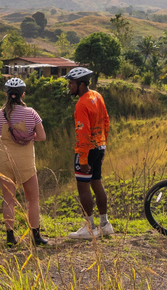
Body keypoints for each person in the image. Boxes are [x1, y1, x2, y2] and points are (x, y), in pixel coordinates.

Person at [0, 78, 49, 246]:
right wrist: (27, 137)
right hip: (25, 162)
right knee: (32, 200)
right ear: (23, 94)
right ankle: (36, 236)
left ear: (7, 94)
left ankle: (10, 237)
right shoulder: (31, 113)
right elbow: (42, 136)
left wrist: (2, 137)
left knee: (8, 200)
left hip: (4, 161)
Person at [64, 67, 112, 239]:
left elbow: (83, 133)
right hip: (99, 146)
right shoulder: (97, 96)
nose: (69, 86)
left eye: (71, 83)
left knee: (83, 187)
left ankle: (89, 227)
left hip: (87, 150)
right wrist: (103, 144)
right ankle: (105, 224)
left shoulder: (81, 104)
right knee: (97, 183)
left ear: (81, 84)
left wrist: (83, 159)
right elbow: (106, 121)